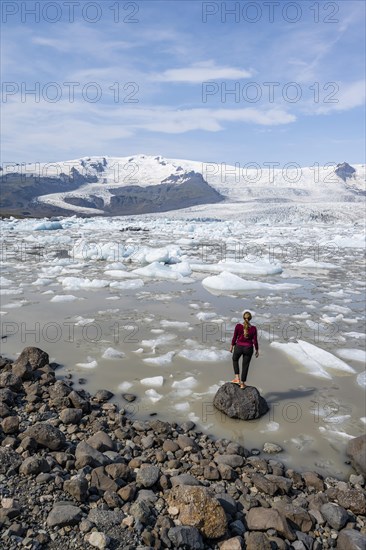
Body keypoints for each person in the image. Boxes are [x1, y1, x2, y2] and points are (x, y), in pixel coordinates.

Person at [229, 311, 259, 389]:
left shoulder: (238, 326)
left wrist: (231, 346)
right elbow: (255, 341)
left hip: (239, 347)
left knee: (235, 359)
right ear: (250, 318)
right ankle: (242, 383)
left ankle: (237, 378)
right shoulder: (253, 328)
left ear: (243, 317)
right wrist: (257, 350)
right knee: (245, 366)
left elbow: (234, 337)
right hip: (248, 349)